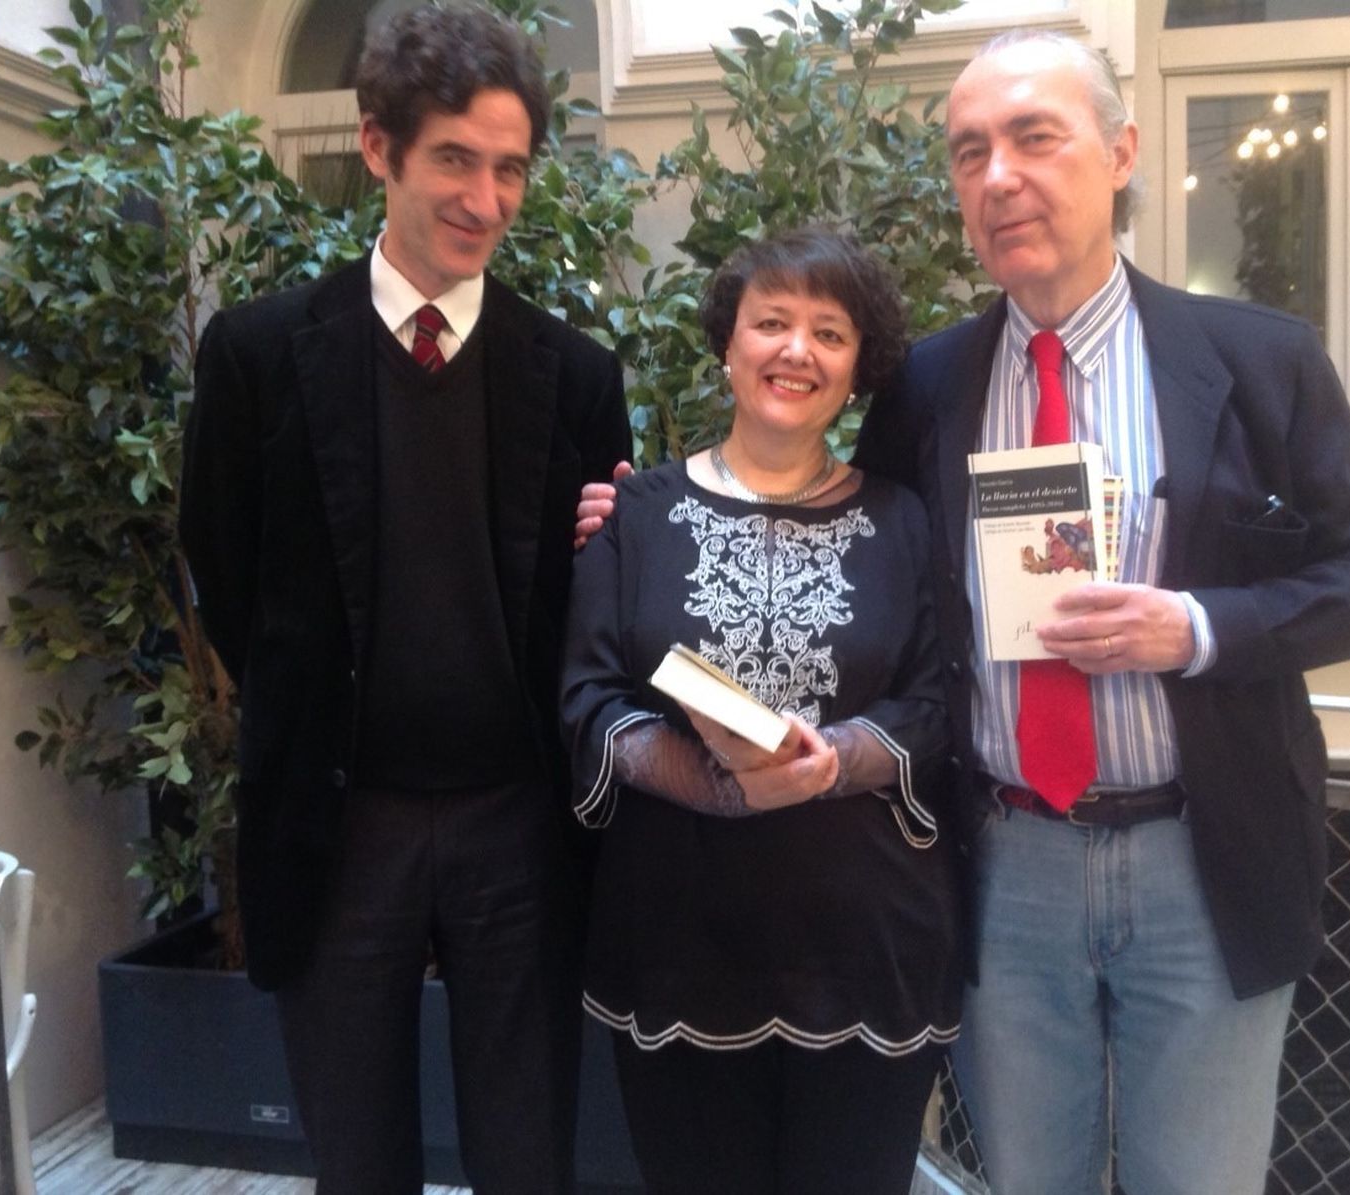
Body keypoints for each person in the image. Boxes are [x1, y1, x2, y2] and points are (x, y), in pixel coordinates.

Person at [849, 30, 1350, 1194]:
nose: (998, 175)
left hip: (1199, 860)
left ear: (1120, 152)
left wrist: (1196, 628)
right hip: (1005, 861)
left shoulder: (1258, 361)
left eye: (1032, 137)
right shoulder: (924, 386)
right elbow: (861, 568)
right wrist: (647, 516)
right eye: (969, 153)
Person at [178, 6, 629, 1193]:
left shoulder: (576, 378)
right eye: (454, 160)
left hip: (518, 823)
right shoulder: (260, 354)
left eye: (510, 168)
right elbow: (224, 570)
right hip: (340, 823)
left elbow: (598, 608)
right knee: (355, 1159)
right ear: (378, 148)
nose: (485, 198)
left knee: (527, 1151)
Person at [561, 227, 960, 1194]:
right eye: (771, 322)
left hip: (867, 949)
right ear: (728, 343)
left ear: (859, 367)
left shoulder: (904, 520)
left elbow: (940, 694)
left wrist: (840, 756)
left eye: (829, 332)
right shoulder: (637, 515)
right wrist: (717, 784)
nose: (796, 350)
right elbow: (587, 699)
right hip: (680, 943)